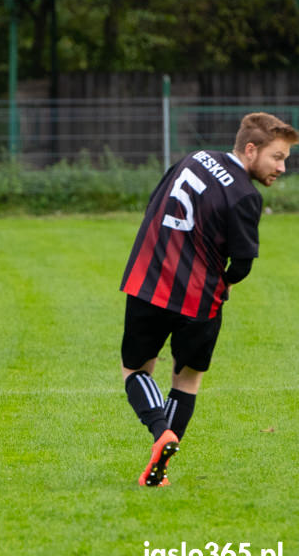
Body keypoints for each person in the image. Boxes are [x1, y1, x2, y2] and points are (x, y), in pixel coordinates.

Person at [119, 112, 298, 487]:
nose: (283, 167)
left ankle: (158, 433)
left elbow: (157, 199)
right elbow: (243, 263)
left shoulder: (194, 158)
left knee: (136, 370)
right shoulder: (246, 196)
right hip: (200, 301)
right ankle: (160, 467)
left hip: (150, 281)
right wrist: (228, 282)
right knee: (186, 381)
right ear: (251, 149)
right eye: (277, 157)